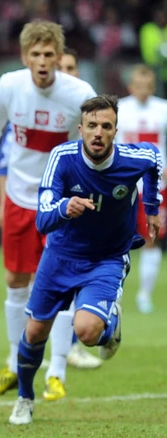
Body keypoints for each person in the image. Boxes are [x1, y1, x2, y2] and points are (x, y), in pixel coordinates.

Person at [9, 94, 162, 424]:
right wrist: (65, 207)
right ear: (80, 129)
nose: (98, 133)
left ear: (115, 131)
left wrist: (152, 207)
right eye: (92, 125)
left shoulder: (132, 158)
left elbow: (154, 159)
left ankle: (108, 327)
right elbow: (43, 220)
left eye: (106, 126)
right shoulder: (62, 158)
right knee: (34, 333)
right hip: (60, 257)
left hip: (107, 258)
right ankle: (24, 398)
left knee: (88, 331)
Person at [0, 21, 97, 402]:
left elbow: (100, 141)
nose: (42, 61)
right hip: (19, 199)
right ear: (25, 57)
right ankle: (14, 363)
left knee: (61, 284)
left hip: (61, 203)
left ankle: (57, 371)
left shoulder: (79, 94)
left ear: (59, 58)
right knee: (15, 279)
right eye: (36, 54)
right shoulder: (9, 86)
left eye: (49, 54)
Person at [116, 64, 167, 314]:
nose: (143, 91)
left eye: (147, 86)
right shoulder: (119, 109)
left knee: (152, 238)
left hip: (156, 185)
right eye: (138, 86)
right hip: (125, 185)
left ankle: (145, 294)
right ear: (130, 87)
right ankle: (112, 289)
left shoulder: (163, 109)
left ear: (153, 87)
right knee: (116, 238)